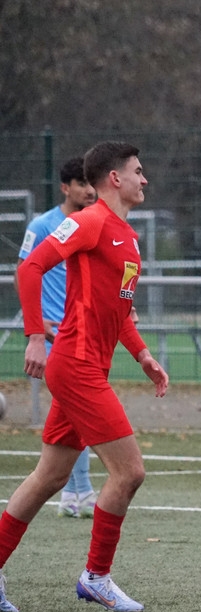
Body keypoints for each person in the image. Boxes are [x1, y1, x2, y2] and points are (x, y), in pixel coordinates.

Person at [1, 141, 168, 612]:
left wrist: (142, 355)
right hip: (74, 366)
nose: (145, 179)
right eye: (138, 171)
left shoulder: (126, 235)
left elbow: (120, 310)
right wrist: (35, 335)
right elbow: (30, 268)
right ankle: (96, 577)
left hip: (88, 366)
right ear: (114, 178)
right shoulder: (90, 221)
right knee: (130, 472)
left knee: (50, 476)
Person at [16, 157, 98, 519]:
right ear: (66, 187)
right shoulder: (42, 226)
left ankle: (72, 491)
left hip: (85, 333)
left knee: (72, 412)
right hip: (56, 335)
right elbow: (25, 271)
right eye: (81, 183)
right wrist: (35, 324)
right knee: (77, 408)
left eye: (91, 183)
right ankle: (79, 490)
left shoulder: (95, 223)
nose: (89, 190)